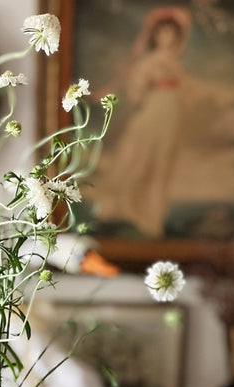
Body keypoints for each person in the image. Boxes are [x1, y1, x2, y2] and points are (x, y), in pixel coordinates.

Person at [95, 7, 192, 239]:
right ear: (155, 36)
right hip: (153, 113)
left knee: (162, 166)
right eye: (162, 33)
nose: (166, 38)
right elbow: (135, 93)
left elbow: (187, 93)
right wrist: (141, 86)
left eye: (170, 34)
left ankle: (152, 219)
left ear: (176, 37)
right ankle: (126, 211)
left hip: (172, 116)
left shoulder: (175, 63)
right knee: (138, 160)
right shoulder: (150, 62)